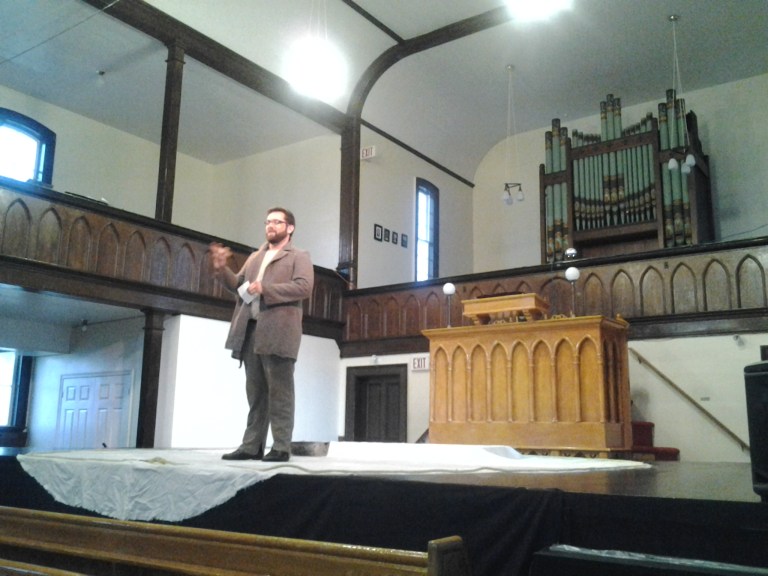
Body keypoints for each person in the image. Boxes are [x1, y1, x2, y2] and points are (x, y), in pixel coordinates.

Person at [209, 207, 313, 462]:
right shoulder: (256, 257)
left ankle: (280, 446)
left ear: (290, 228)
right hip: (251, 329)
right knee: (255, 393)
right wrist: (222, 268)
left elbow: (304, 286)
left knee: (280, 392)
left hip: (279, 331)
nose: (271, 226)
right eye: (268, 222)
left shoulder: (298, 256)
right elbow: (237, 285)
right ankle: (252, 445)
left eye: (277, 222)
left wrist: (265, 288)